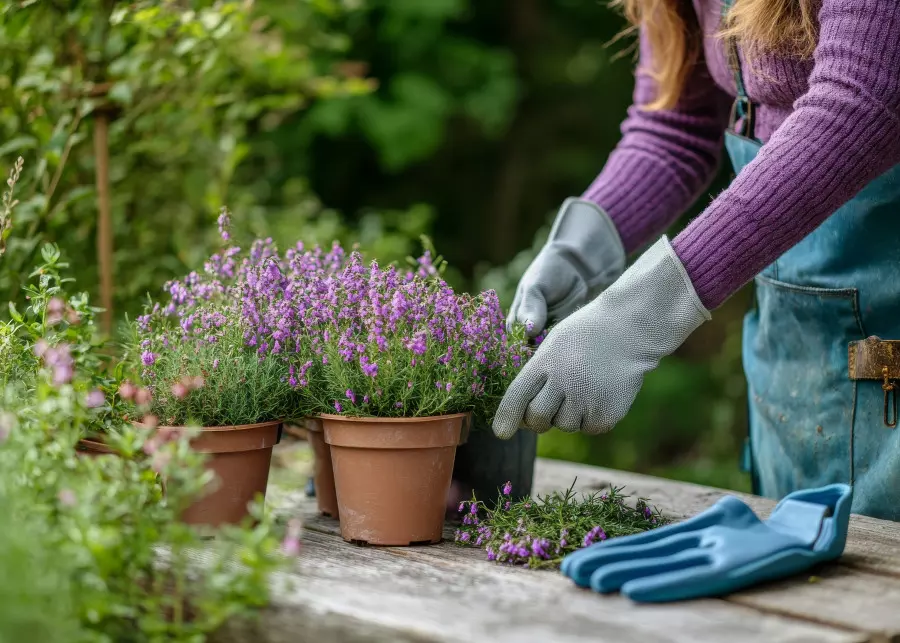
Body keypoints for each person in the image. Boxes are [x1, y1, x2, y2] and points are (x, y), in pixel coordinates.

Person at [494, 0, 900, 521]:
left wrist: (638, 315)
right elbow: (674, 127)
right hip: (798, 357)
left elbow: (862, 102)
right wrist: (580, 250)